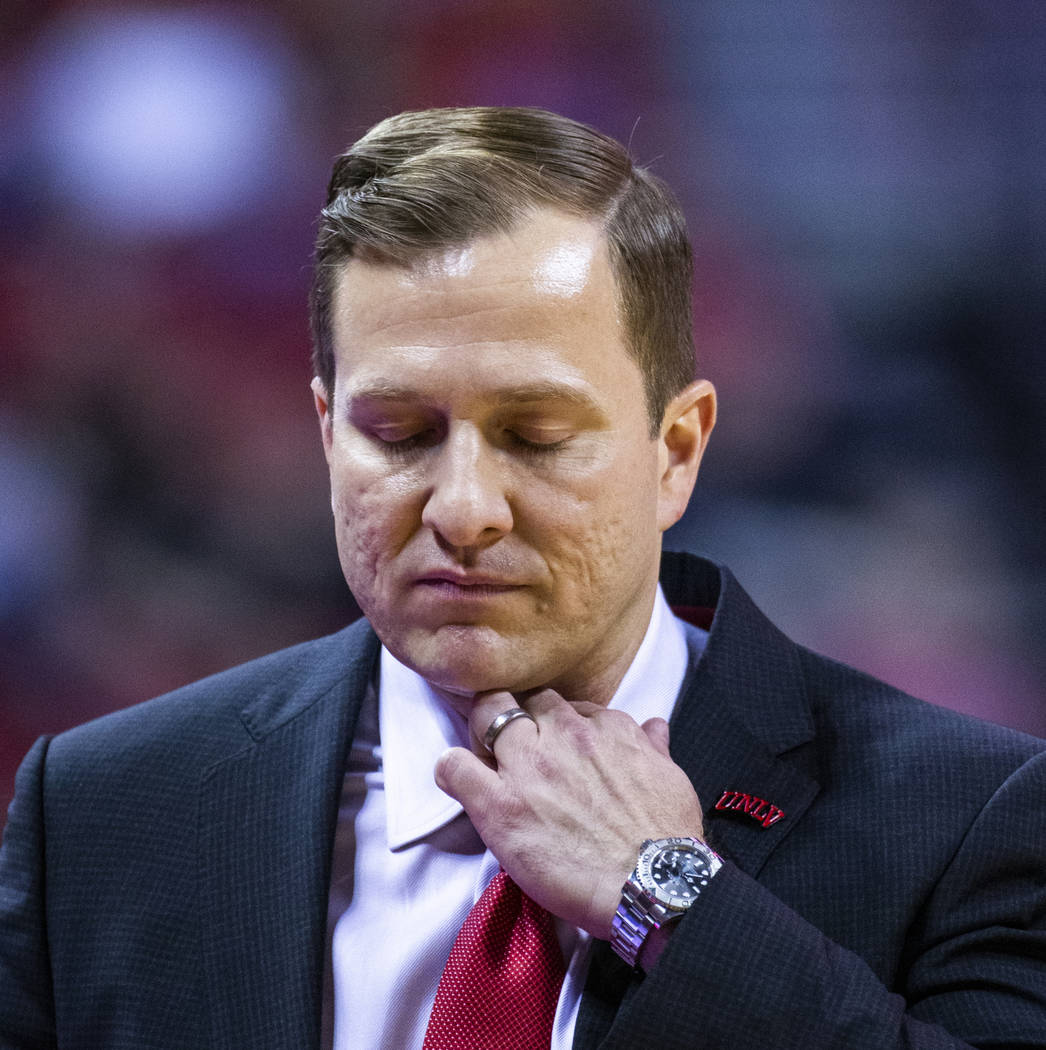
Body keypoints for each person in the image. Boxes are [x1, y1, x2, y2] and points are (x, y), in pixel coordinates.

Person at [1, 107, 1044, 1050]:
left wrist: (670, 902)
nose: (462, 507)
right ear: (326, 437)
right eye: (396, 433)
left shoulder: (968, 816)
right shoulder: (102, 814)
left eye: (536, 436)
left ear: (673, 450)